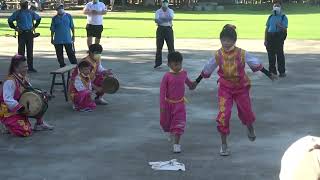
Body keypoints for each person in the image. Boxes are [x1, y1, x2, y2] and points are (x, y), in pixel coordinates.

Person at [193, 24, 275, 156]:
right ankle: (224, 144)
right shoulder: (218, 55)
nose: (226, 43)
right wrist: (196, 82)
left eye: (229, 40)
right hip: (225, 88)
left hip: (241, 87)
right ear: (220, 40)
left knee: (246, 112)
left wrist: (269, 74)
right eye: (223, 40)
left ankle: (250, 127)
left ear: (234, 41)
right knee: (223, 115)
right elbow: (208, 68)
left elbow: (255, 63)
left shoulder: (241, 53)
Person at [0, 55, 54, 137]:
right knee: (25, 131)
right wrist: (20, 107)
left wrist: (43, 94)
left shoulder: (23, 78)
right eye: (24, 67)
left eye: (27, 66)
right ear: (16, 68)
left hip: (20, 107)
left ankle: (39, 124)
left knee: (41, 99)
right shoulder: (10, 81)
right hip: (8, 111)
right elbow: (7, 99)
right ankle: (6, 125)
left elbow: (32, 91)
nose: (26, 68)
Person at [160, 51, 195, 153]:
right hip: (168, 105)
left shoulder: (183, 74)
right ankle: (171, 131)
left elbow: (189, 84)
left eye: (180, 64)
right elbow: (162, 92)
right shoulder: (167, 76)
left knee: (179, 124)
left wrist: (193, 85)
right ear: (169, 64)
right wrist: (162, 106)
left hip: (180, 104)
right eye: (175, 64)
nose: (178, 66)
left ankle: (176, 144)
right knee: (166, 123)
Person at [8, 0, 41, 73]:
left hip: (29, 33)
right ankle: (20, 68)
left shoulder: (31, 12)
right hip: (22, 33)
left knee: (30, 51)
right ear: (21, 4)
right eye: (24, 3)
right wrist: (15, 28)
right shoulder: (18, 13)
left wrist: (34, 27)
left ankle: (30, 67)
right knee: (21, 52)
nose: (25, 5)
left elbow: (38, 19)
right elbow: (10, 20)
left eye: (26, 3)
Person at [264, 1, 288, 78]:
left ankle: (282, 71)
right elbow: (267, 28)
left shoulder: (283, 17)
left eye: (277, 5)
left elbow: (285, 28)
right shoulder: (270, 16)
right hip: (270, 36)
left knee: (279, 54)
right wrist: (265, 39)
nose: (276, 7)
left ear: (280, 7)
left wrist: (279, 25)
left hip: (278, 36)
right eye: (275, 5)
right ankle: (272, 71)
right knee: (270, 54)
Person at [154, 0, 175, 69]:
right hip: (160, 29)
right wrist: (165, 19)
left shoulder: (171, 11)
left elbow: (170, 18)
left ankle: (172, 63)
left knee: (171, 47)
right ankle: (158, 63)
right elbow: (156, 20)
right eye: (163, 2)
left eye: (166, 2)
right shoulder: (158, 11)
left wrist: (162, 19)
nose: (164, 4)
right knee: (159, 47)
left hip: (168, 29)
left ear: (168, 3)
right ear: (161, 3)